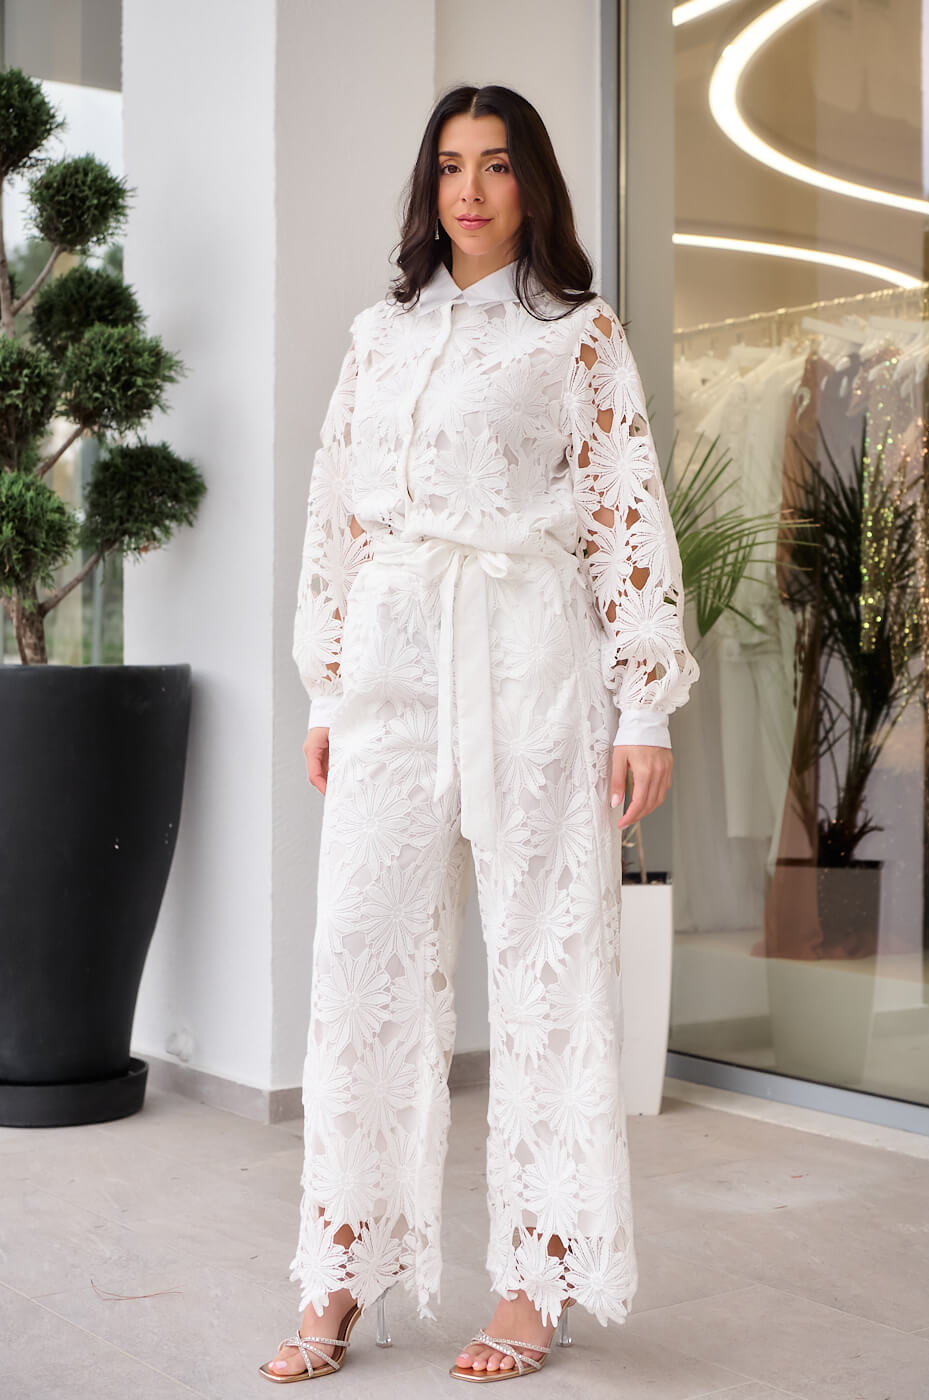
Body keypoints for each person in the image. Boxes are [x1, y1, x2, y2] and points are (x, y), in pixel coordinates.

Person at [260, 83, 699, 1385]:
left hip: (532, 660)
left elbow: (626, 510)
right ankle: (341, 1265)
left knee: (547, 964)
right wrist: (328, 690)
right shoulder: (378, 335)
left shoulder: (578, 335)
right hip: (394, 663)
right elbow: (338, 514)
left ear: (531, 184)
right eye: (450, 165)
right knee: (359, 959)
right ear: (428, 184)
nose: (469, 189)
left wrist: (641, 705)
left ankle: (534, 1279)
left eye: (495, 165)